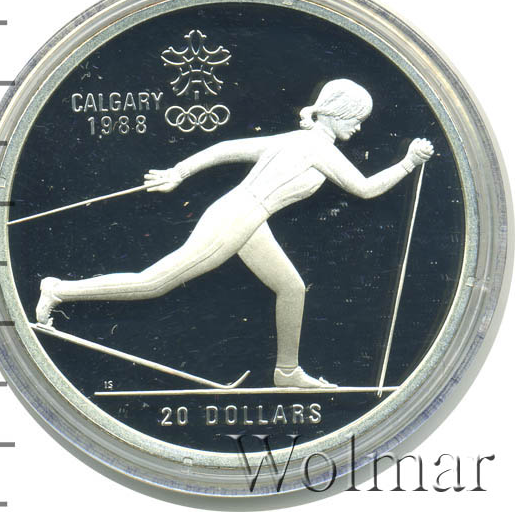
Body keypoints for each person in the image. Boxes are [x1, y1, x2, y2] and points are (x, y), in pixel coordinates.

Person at [36, 79, 434, 388]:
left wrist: (179, 171)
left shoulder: (297, 139)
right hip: (236, 218)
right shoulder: (318, 148)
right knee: (153, 282)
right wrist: (409, 162)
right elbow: (365, 189)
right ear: (335, 112)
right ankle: (59, 290)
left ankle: (287, 373)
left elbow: (225, 147)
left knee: (291, 288)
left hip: (249, 220)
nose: (359, 126)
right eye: (356, 117)